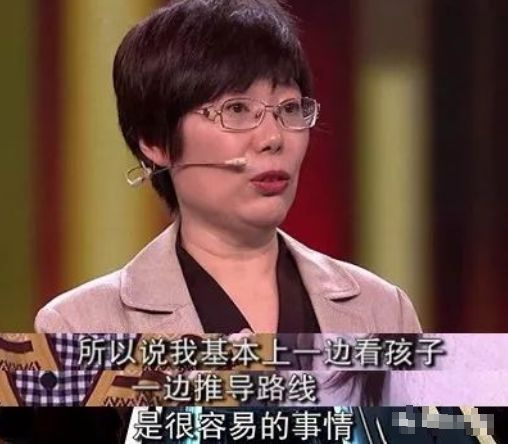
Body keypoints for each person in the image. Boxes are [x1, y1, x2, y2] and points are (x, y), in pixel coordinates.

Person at [35, 0, 421, 335]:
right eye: (237, 109)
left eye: (289, 108)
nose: (273, 137)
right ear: (155, 142)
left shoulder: (383, 310)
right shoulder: (78, 325)